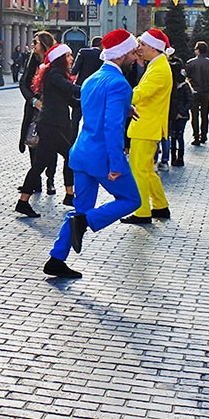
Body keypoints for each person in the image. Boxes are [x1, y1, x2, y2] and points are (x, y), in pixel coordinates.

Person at [44, 29, 143, 279]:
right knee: (132, 200)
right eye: (132, 52)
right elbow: (111, 128)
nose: (135, 56)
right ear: (121, 54)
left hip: (82, 153)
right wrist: (117, 163)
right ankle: (87, 223)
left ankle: (56, 259)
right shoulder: (120, 84)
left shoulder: (92, 79)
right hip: (102, 157)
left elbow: (96, 110)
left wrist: (124, 108)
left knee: (80, 208)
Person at [17, 43, 79, 216]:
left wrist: (89, 102)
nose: (72, 59)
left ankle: (69, 194)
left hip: (54, 125)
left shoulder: (58, 74)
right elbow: (71, 89)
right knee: (41, 165)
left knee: (67, 156)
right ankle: (23, 202)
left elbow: (70, 99)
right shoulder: (55, 74)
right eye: (68, 56)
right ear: (60, 59)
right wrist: (91, 90)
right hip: (51, 126)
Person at [121, 29, 173, 225]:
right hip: (148, 126)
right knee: (147, 170)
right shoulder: (158, 65)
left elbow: (141, 93)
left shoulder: (158, 68)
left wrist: (119, 95)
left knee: (138, 171)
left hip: (146, 126)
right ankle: (160, 206)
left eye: (142, 44)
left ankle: (142, 212)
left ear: (153, 47)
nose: (139, 48)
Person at [19, 32, 58, 193]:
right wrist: (33, 101)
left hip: (51, 108)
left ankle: (50, 179)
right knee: (32, 141)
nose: (33, 45)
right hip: (34, 107)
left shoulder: (55, 60)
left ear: (44, 43)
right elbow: (24, 83)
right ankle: (35, 180)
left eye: (36, 42)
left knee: (51, 144)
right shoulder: (33, 60)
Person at [186, 40, 209, 145]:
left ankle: (196, 137)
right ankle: (204, 135)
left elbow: (186, 77)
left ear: (198, 50)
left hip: (194, 92)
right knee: (205, 115)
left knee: (194, 115)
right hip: (206, 92)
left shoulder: (190, 63)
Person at [69, 36, 103, 134]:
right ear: (101, 45)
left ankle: (71, 141)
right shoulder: (103, 56)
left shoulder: (83, 52)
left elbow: (74, 70)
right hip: (95, 89)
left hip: (80, 87)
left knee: (75, 118)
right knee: (92, 117)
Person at [168, 62, 193, 168]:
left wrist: (180, 112)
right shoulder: (175, 85)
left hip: (181, 115)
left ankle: (180, 158)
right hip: (175, 115)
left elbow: (190, 101)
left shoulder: (183, 86)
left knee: (178, 136)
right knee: (174, 136)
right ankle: (174, 158)